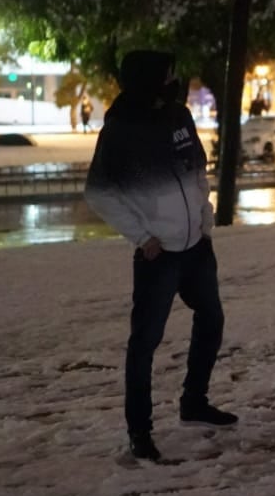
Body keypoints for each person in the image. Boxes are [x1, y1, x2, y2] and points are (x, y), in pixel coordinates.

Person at [84, 50, 236, 463]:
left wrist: (205, 214)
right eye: (167, 75)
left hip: (196, 246)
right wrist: (141, 235)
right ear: (147, 81)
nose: (175, 81)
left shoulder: (178, 116)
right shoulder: (120, 131)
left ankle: (194, 402)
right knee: (145, 343)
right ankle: (140, 431)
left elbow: (197, 169)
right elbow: (98, 192)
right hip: (159, 255)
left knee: (212, 318)